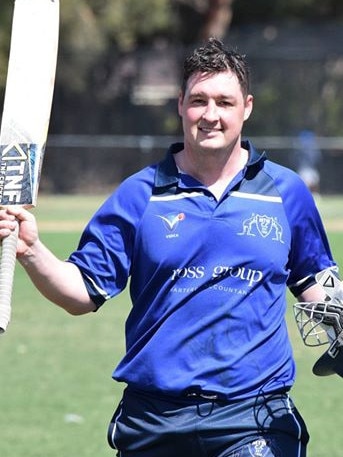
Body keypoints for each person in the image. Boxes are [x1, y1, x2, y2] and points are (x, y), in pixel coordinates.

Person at [0, 38, 339, 457]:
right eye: (199, 100)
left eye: (224, 102)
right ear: (180, 104)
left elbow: (317, 283)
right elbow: (81, 293)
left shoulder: (286, 192)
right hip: (153, 422)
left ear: (246, 107)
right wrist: (32, 250)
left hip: (254, 418)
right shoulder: (139, 194)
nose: (210, 115)